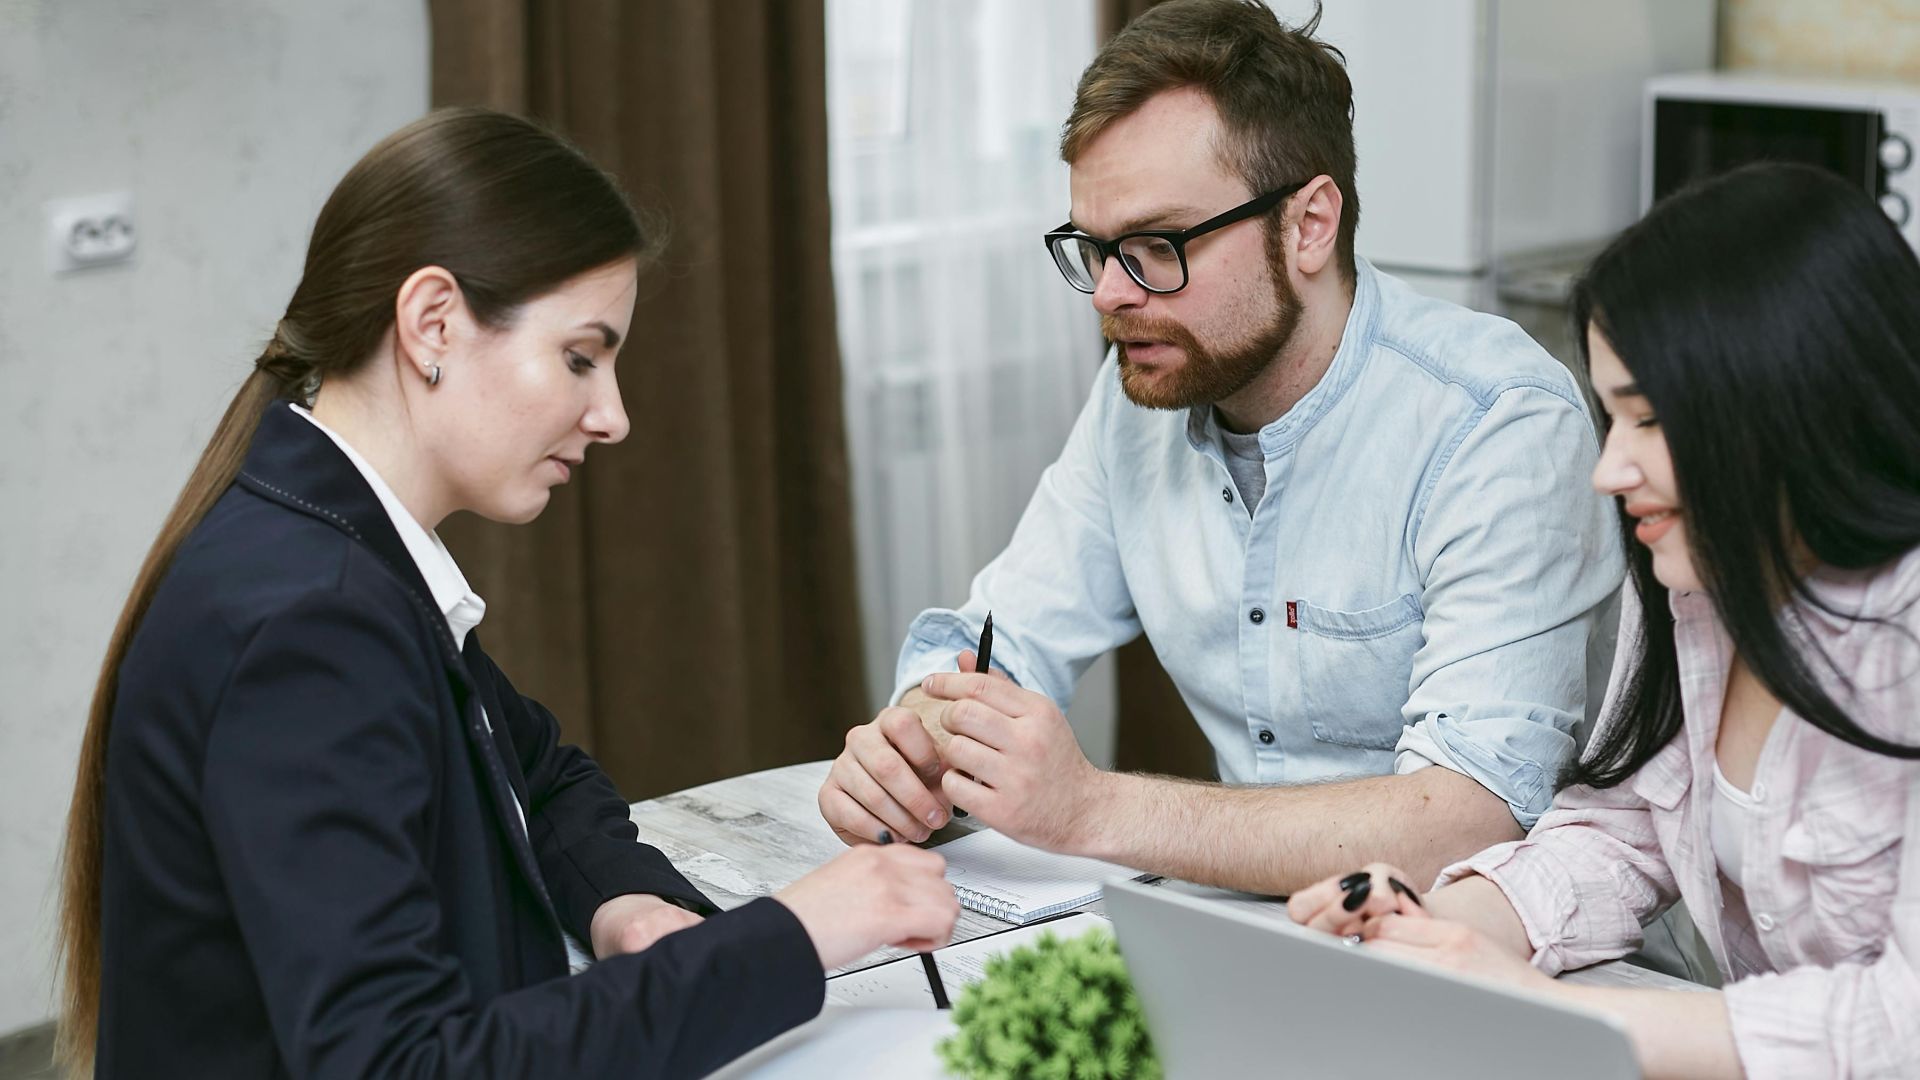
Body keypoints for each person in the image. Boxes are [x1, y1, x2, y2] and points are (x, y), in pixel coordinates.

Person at [55, 108, 958, 1079]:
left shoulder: (343, 553)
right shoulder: (311, 620)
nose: (612, 416)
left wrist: (623, 903)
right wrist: (795, 932)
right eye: (581, 356)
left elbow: (534, 768)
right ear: (433, 323)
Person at [817, 0, 1622, 895]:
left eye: (1157, 246)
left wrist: (1091, 810)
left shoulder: (1496, 422)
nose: (1109, 297)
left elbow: (1474, 814)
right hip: (1259, 943)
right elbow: (1000, 641)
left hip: (1504, 958)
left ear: (1309, 224)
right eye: (1094, 249)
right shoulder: (1145, 397)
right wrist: (918, 736)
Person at [1288, 162, 1920, 1078]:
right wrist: (1444, 932)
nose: (1608, 470)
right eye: (1609, 419)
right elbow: (1618, 833)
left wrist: (1551, 1013)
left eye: (1651, 421)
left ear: (1792, 402)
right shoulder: (1697, 583)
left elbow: (1902, 1021)